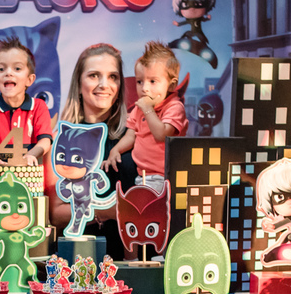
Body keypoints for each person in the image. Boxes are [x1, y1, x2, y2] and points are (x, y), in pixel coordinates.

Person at [47, 44, 136, 259]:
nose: (104, 85)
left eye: (113, 77)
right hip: (77, 260)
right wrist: (106, 211)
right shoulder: (59, 139)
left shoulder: (136, 137)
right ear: (78, 84)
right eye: (94, 75)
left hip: (130, 263)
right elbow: (55, 215)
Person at [107, 41, 188, 194]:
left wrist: (148, 109)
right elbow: (131, 135)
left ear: (171, 85)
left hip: (165, 177)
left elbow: (162, 135)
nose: (144, 88)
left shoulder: (174, 107)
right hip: (143, 175)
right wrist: (116, 150)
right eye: (140, 81)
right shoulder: (140, 108)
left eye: (152, 81)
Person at [0, 36, 52, 166]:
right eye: (1, 69)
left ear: (29, 80)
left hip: (29, 177)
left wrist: (31, 155)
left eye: (17, 68)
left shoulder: (39, 107)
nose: (8, 73)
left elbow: (45, 140)